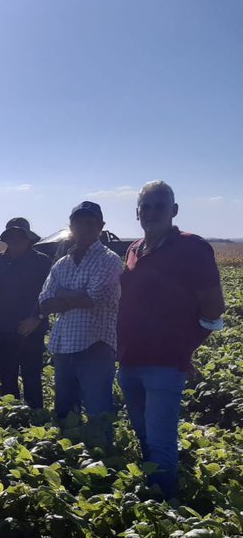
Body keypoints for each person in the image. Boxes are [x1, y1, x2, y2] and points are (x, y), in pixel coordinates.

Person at [117, 181, 225, 498]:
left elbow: (214, 309)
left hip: (165, 363)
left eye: (159, 205)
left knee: (161, 438)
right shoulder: (134, 249)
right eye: (145, 206)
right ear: (137, 213)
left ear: (173, 210)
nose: (151, 212)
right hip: (129, 360)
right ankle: (153, 497)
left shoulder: (192, 247)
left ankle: (163, 508)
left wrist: (185, 348)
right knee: (143, 434)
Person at [26, 201, 122, 447]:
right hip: (63, 344)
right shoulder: (62, 263)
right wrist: (76, 296)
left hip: (96, 344)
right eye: (78, 223)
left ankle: (103, 462)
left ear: (100, 226)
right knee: (65, 409)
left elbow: (94, 297)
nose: (84, 228)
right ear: (71, 226)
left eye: (90, 223)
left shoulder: (109, 260)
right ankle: (71, 460)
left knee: (98, 409)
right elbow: (45, 302)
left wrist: (65, 296)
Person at [0, 218, 53, 408]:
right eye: (12, 236)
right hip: (4, 327)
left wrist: (37, 318)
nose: (16, 240)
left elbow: (52, 292)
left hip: (32, 328)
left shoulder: (42, 262)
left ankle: (35, 418)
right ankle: (12, 419)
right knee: (7, 376)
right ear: (6, 239)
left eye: (21, 236)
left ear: (28, 239)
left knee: (32, 376)